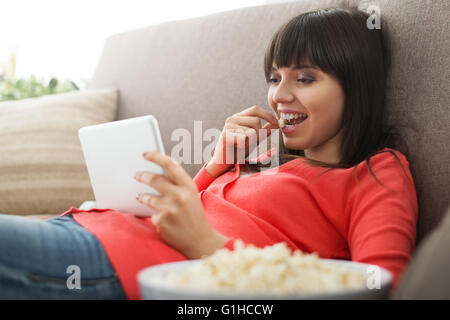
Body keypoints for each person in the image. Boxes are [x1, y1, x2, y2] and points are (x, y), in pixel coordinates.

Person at [0, 8, 418, 300]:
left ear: (356, 86)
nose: (278, 95)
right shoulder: (270, 159)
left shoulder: (378, 172)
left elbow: (378, 288)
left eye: (305, 78)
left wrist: (209, 247)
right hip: (88, 229)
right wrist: (215, 164)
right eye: (274, 78)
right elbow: (181, 217)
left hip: (115, 263)